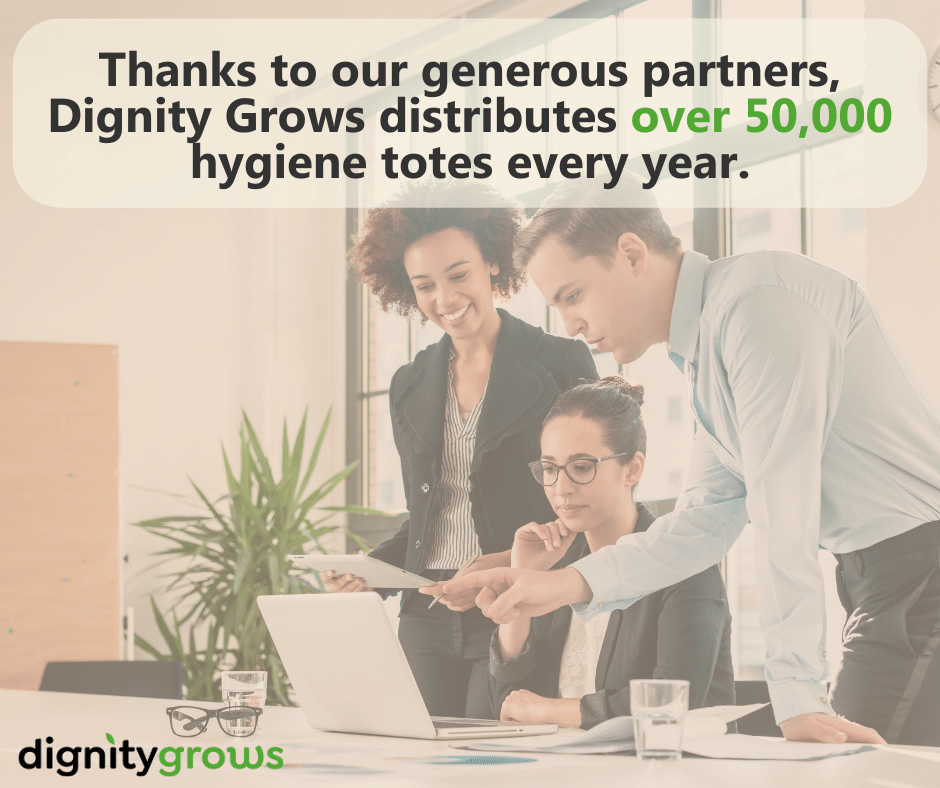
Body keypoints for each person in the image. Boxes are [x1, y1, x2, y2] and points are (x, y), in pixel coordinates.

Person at [445, 176, 940, 746]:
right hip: (882, 576)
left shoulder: (758, 305)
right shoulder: (709, 349)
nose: (569, 325)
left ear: (631, 254)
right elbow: (702, 524)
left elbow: (784, 508)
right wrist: (561, 586)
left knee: (851, 764)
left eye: (573, 296)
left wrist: (797, 693)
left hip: (920, 568)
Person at [322, 180, 598, 719]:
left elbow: (587, 508)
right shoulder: (409, 383)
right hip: (426, 616)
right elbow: (424, 523)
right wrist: (371, 571)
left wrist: (498, 565)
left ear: (493, 264)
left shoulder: (562, 363)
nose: (444, 299)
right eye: (424, 285)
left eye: (459, 275)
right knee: (423, 763)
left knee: (502, 764)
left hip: (518, 606)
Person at [489, 376, 734, 728]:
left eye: (582, 467)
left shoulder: (685, 561)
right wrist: (522, 577)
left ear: (631, 468)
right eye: (549, 469)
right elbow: (506, 705)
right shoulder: (557, 565)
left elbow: (673, 702)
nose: (561, 489)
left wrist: (547, 711)